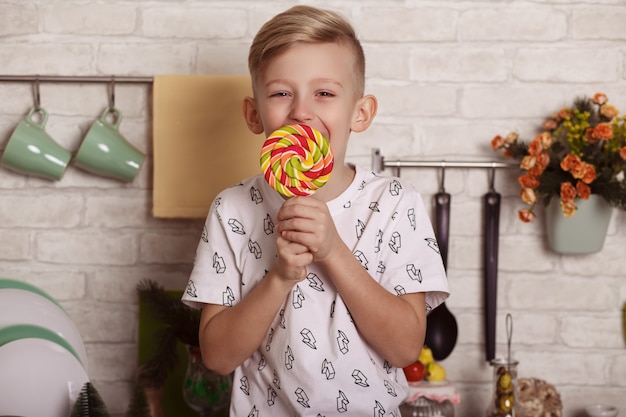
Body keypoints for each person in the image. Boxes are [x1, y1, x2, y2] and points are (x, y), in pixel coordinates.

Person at [182, 5, 449, 416]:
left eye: (324, 93)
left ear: (360, 113)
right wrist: (280, 278)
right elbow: (217, 357)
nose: (301, 111)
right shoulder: (232, 210)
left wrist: (334, 251)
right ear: (255, 115)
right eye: (280, 93)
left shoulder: (395, 203)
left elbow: (405, 347)